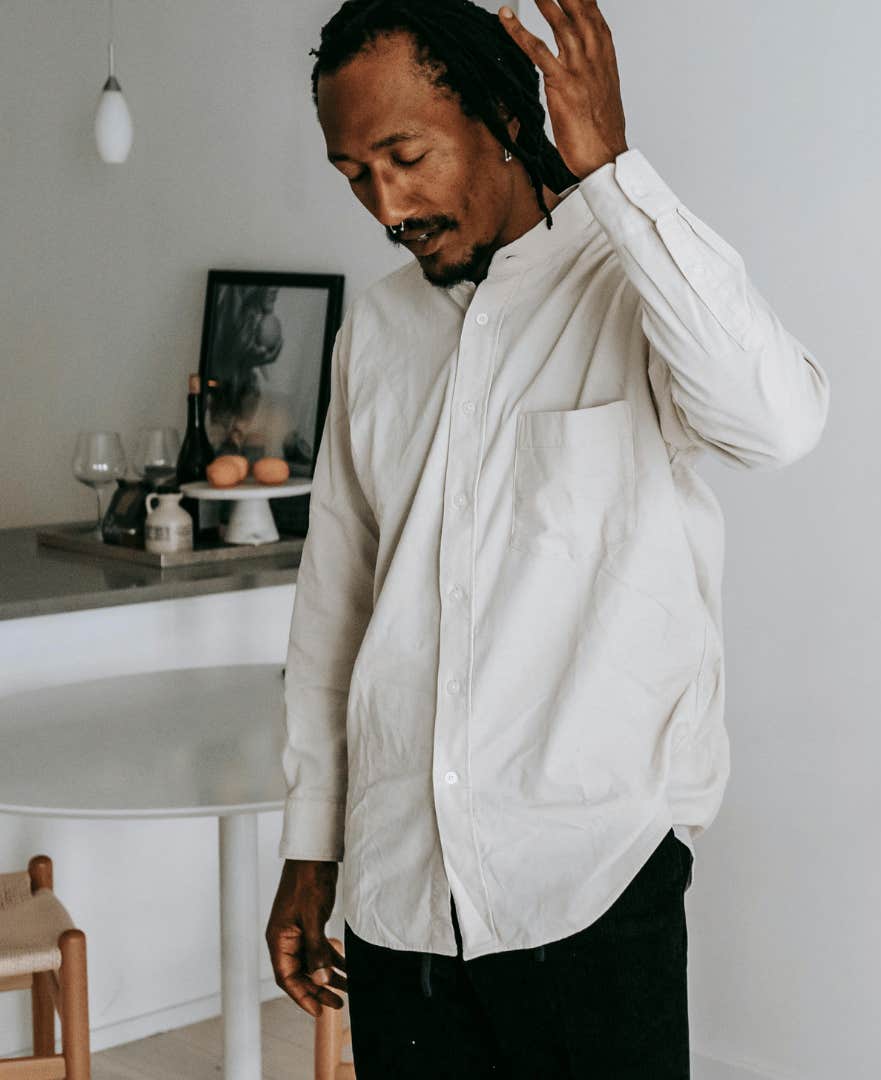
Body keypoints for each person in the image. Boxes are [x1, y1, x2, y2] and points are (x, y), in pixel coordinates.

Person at [263, 0, 828, 1075]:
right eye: (353, 172)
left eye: (405, 154)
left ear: (501, 121)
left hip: (593, 883)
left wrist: (612, 169)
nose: (386, 202)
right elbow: (336, 601)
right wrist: (310, 845)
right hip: (401, 901)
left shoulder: (632, 286)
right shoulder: (376, 331)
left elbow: (780, 423)